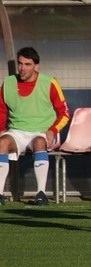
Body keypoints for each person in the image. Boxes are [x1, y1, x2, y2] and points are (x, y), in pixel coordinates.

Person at [0, 47, 70, 206]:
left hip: (43, 131)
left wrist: (52, 131)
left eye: (27, 64)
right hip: (16, 132)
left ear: (36, 66)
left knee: (39, 142)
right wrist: (1, 130)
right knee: (2, 143)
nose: (22, 68)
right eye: (20, 64)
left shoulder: (49, 82)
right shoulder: (9, 83)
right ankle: (0, 194)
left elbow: (64, 113)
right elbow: (1, 110)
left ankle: (41, 194)